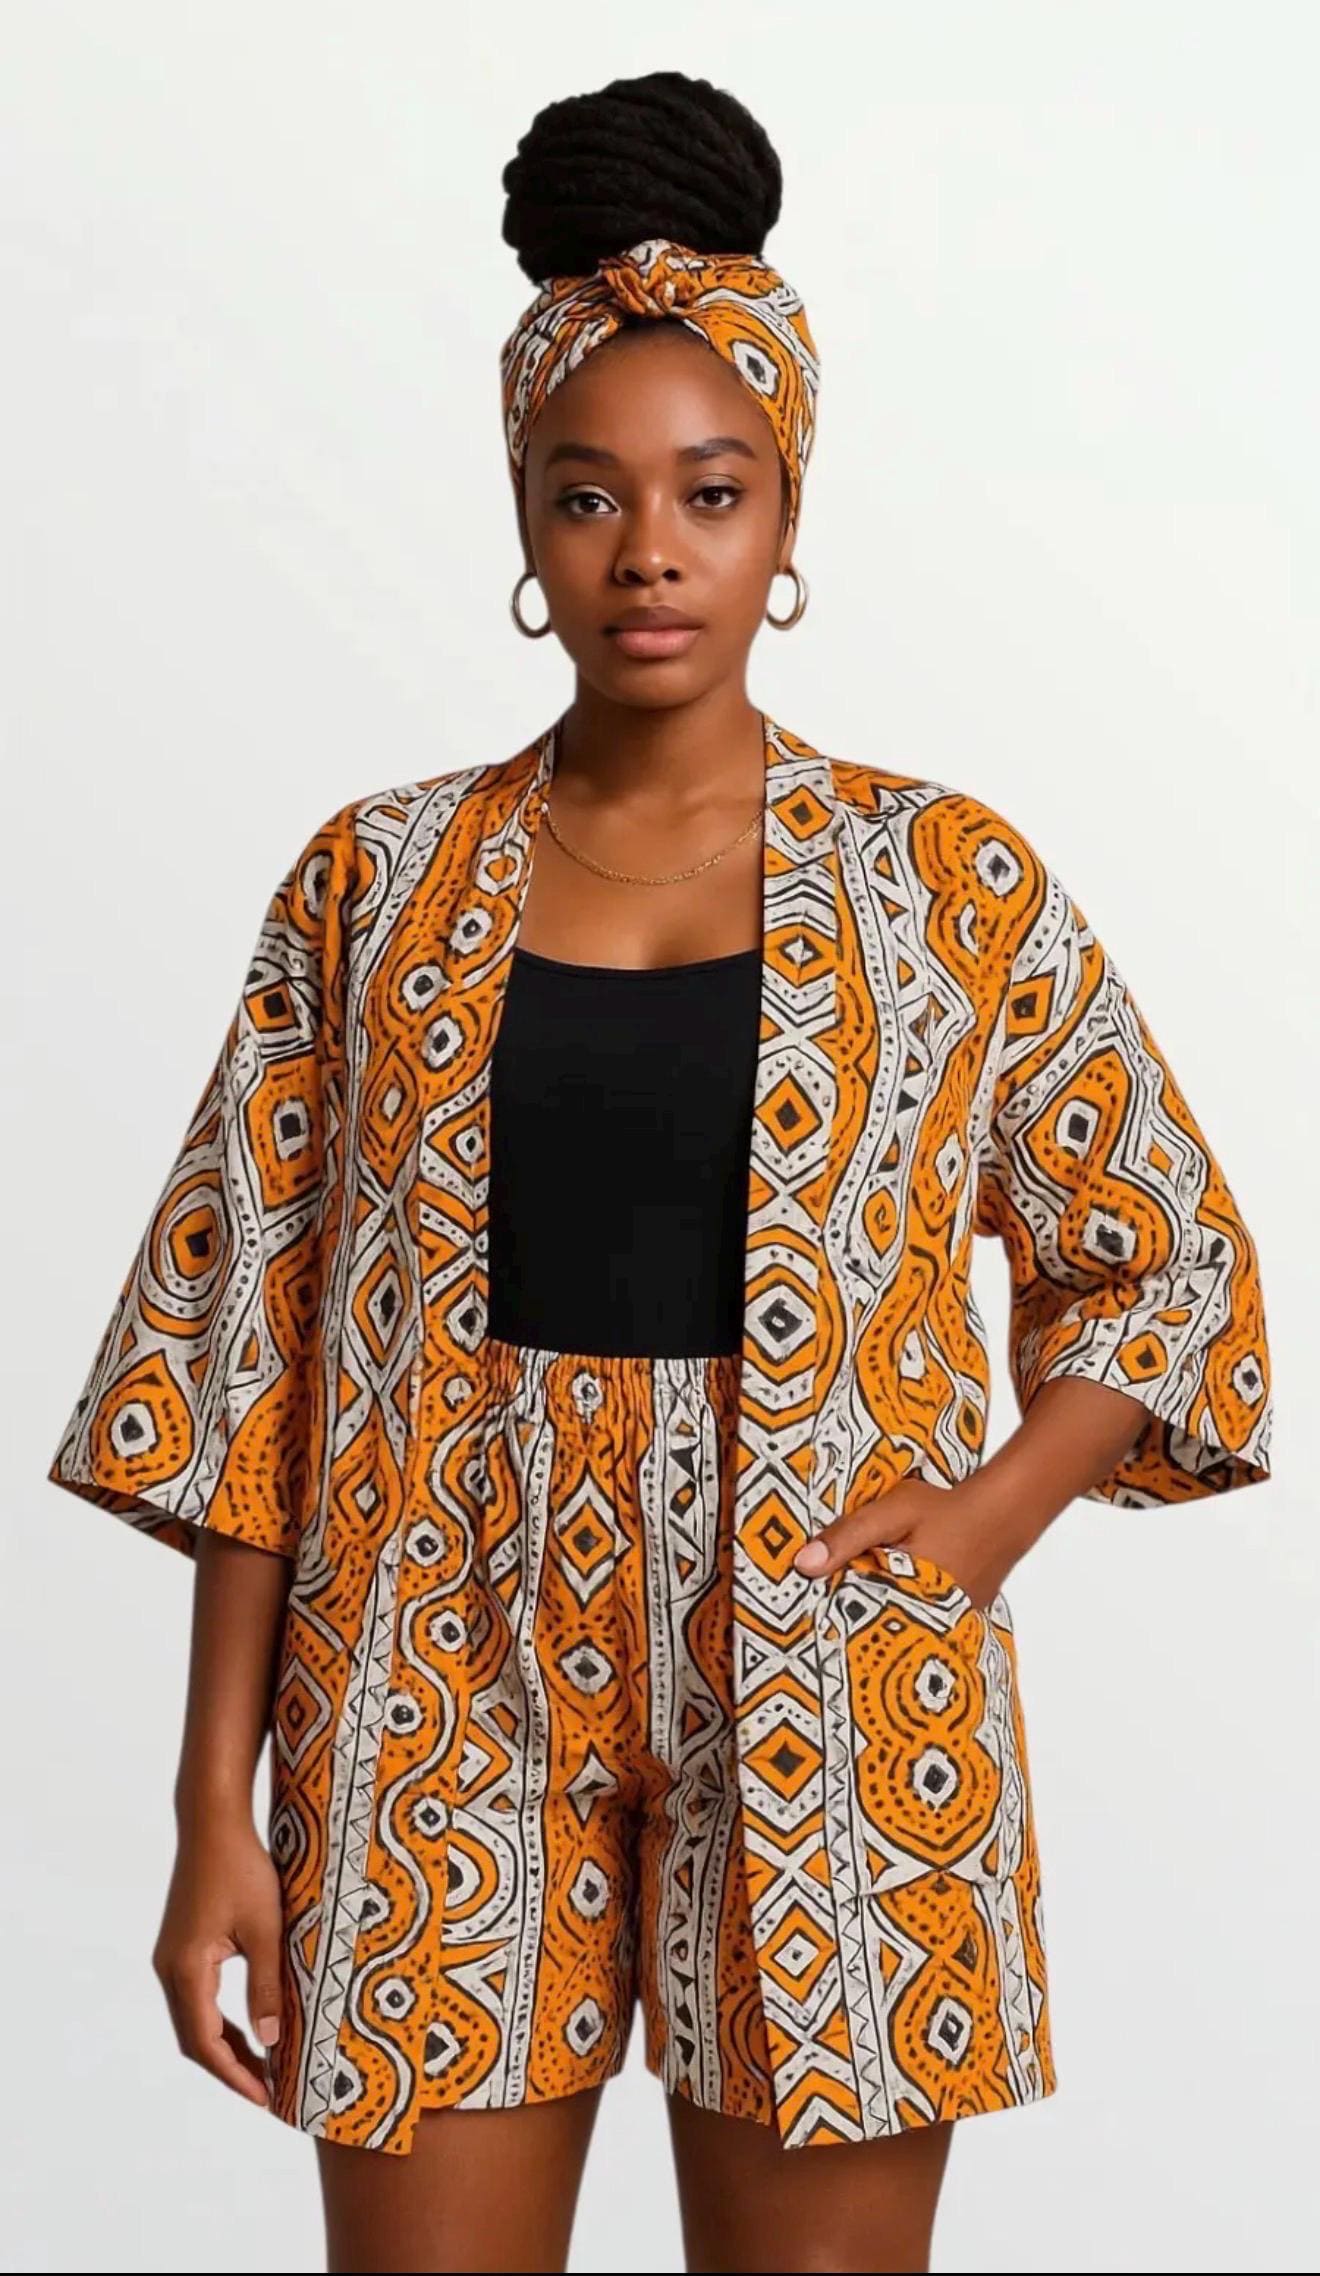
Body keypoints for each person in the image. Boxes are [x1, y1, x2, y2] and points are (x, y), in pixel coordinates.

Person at [47, 69, 1273, 2276]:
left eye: (714, 492)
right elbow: (244, 1365)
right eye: (587, 496)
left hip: (832, 1651)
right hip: (425, 1667)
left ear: (790, 519)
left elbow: (1167, 1256)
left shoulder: (942, 884)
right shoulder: (372, 886)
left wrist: (990, 1515)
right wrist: (209, 1807)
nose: (651, 552)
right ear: (523, 524)